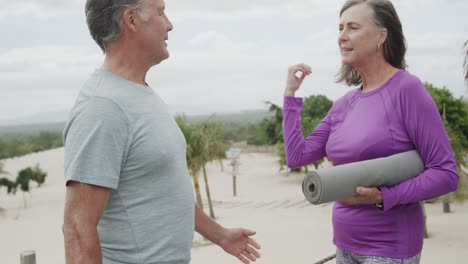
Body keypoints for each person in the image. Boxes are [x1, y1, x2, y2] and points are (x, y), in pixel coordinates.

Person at [62, 0, 261, 263]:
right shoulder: (102, 107)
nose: (170, 25)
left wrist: (219, 235)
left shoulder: (138, 92)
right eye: (161, 12)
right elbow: (77, 228)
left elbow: (163, 190)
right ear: (131, 20)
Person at [282, 0, 458, 263]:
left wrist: (383, 197)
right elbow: (297, 156)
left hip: (389, 249)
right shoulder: (343, 105)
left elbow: (445, 173)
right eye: (340, 28)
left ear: (381, 35)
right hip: (344, 245)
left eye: (352, 27)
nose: (342, 37)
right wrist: (290, 95)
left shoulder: (407, 90)